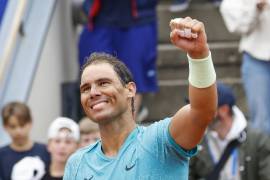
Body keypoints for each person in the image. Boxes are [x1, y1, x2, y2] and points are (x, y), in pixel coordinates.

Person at [64, 16, 217, 180]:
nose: (93, 92)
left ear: (130, 90)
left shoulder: (160, 141)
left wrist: (199, 56)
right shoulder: (77, 163)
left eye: (103, 83)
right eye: (86, 88)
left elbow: (202, 112)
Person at [78, 0, 159, 122]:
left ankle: (128, 132)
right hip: (98, 17)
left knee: (134, 79)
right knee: (92, 76)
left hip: (137, 18)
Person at [189, 82, 270, 180]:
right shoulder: (196, 139)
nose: (197, 114)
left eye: (203, 108)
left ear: (223, 110)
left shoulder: (257, 140)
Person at [220, 0, 270, 135]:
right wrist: (256, 8)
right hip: (257, 60)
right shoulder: (229, 4)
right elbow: (240, 27)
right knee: (262, 123)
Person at [0, 102, 50, 180]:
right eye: (13, 127)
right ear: (5, 127)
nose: (18, 131)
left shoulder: (47, 151)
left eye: (22, 125)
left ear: (30, 123)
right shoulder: (1, 155)